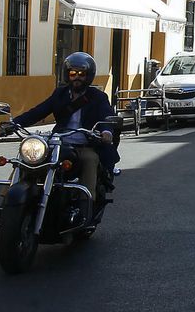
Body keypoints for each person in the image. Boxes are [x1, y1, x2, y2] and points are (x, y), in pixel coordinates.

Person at [9, 51, 117, 214]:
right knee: (28, 159)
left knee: (90, 160)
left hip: (84, 145)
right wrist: (13, 124)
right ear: (67, 75)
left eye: (81, 74)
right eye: (73, 73)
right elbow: (38, 111)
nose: (77, 77)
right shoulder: (59, 94)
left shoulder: (98, 97)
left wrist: (107, 132)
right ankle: (6, 201)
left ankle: (85, 205)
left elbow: (106, 115)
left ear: (89, 76)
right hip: (58, 143)